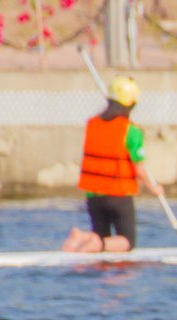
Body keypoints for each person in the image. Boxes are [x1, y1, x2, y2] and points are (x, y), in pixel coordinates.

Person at [62, 75, 164, 253]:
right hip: (118, 194)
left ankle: (83, 238)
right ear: (132, 104)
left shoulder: (93, 124)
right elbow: (139, 168)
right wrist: (153, 188)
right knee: (126, 242)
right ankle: (94, 243)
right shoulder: (131, 130)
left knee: (101, 236)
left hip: (93, 195)